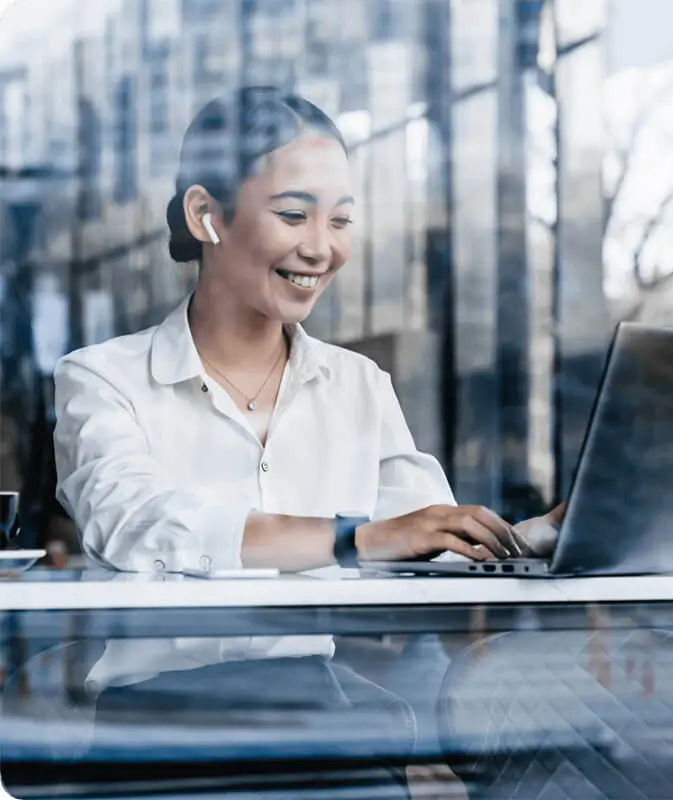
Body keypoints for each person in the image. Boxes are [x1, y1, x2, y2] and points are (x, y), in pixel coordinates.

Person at [52, 86, 562, 796]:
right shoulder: (100, 379)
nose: (321, 247)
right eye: (293, 214)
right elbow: (139, 525)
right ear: (207, 215)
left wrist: (535, 535)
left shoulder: (359, 385)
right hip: (159, 728)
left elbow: (429, 543)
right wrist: (359, 537)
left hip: (317, 716)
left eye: (342, 220)